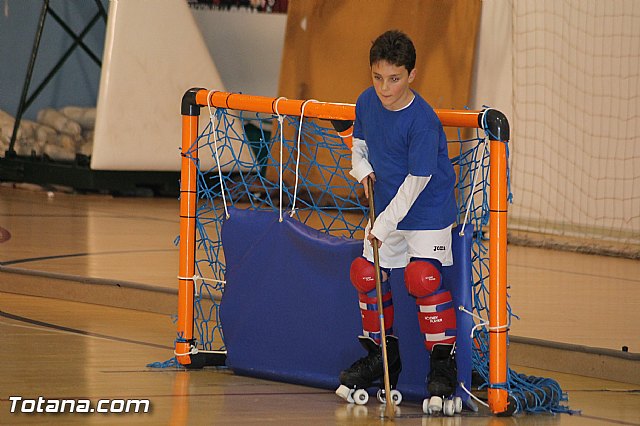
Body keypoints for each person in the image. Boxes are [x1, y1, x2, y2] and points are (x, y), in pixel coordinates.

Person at [336, 30, 458, 404]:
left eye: (394, 79)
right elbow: (360, 146)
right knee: (365, 273)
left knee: (422, 279)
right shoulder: (365, 102)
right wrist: (360, 167)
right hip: (387, 207)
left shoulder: (421, 120)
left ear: (411, 75)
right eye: (377, 78)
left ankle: (442, 364)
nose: (384, 89)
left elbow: (417, 182)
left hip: (426, 211)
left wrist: (384, 224)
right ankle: (382, 356)